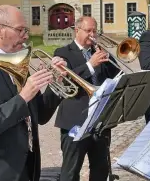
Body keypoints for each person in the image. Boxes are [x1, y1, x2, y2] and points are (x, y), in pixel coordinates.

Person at [0, 5, 66, 181]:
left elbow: (40, 115)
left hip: (26, 166)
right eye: (20, 30)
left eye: (25, 30)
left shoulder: (19, 63)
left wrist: (55, 82)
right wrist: (23, 97)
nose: (25, 36)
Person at [46, 16, 120, 181]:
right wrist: (90, 65)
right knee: (71, 171)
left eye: (95, 31)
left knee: (100, 169)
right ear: (77, 30)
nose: (92, 35)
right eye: (88, 31)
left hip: (100, 120)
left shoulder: (98, 52)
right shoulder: (63, 53)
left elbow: (117, 76)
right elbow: (67, 81)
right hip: (74, 120)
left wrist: (109, 58)